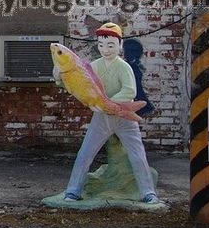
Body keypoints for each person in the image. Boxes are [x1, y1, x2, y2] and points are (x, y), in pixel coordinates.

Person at [57, 22, 161, 204]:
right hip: (102, 117)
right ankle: (73, 191)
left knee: (137, 154)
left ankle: (148, 192)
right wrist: (59, 75)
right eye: (101, 45)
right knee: (85, 153)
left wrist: (111, 104)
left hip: (124, 118)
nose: (105, 49)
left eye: (111, 45)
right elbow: (80, 82)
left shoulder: (124, 67)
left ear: (120, 45)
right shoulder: (93, 66)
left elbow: (130, 91)